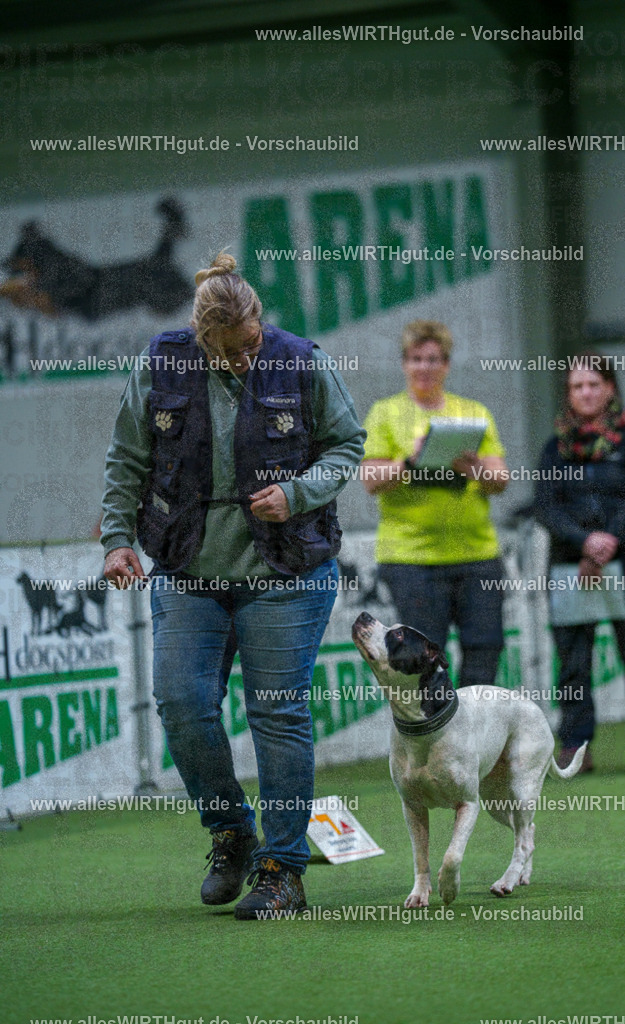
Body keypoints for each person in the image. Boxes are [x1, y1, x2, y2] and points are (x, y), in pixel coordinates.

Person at [101, 253, 365, 919]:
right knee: (181, 704)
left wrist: (299, 491)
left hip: (286, 572)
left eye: (251, 344)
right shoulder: (160, 364)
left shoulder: (300, 360)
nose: (245, 359)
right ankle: (231, 833)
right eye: (229, 352)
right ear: (201, 339)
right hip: (188, 569)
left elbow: (346, 446)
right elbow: (128, 456)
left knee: (276, 713)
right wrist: (115, 539)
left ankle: (283, 872)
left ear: (259, 321)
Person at [534, 354, 625, 772]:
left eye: (594, 384)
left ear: (609, 388)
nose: (586, 393)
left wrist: (609, 538)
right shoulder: (553, 449)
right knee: (573, 662)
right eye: (577, 386)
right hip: (569, 568)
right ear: (569, 394)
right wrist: (584, 540)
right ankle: (576, 746)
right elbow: (546, 507)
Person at [361, 319, 509, 687]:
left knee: (484, 650)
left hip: (477, 555)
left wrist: (475, 468)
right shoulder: (385, 413)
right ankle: (437, 743)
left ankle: (478, 744)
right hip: (412, 560)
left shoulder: (473, 412)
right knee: (424, 662)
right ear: (403, 364)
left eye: (433, 359)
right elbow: (370, 480)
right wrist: (410, 461)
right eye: (416, 359)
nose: (424, 368)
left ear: (446, 364)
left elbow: (501, 480)